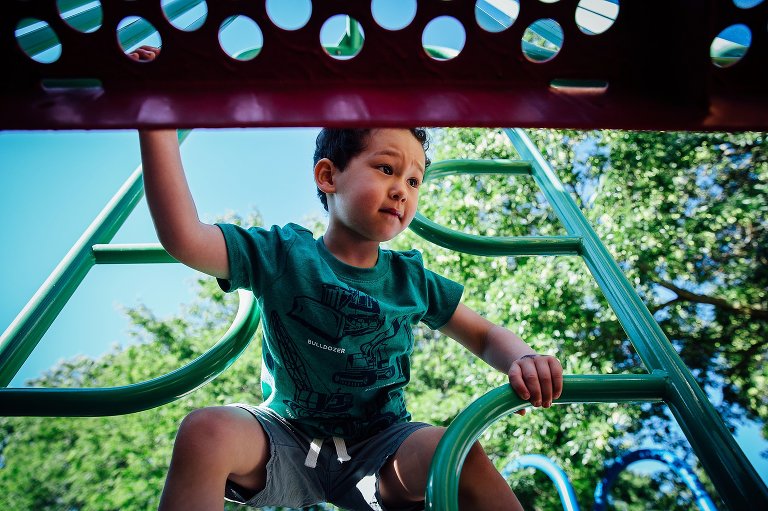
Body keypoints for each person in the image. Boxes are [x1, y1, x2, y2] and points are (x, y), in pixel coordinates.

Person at [134, 47, 563, 511]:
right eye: (386, 168)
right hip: (286, 435)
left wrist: (523, 357)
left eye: (415, 181)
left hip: (384, 448)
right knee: (204, 431)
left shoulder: (410, 279)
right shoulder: (281, 254)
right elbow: (183, 237)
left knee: (455, 452)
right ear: (328, 176)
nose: (402, 188)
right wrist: (156, 119)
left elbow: (484, 336)